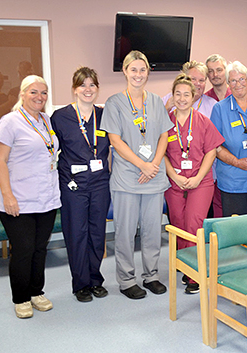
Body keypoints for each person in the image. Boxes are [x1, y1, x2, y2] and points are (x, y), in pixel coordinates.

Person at [101, 50, 173, 299]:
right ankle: (126, 279)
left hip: (153, 175)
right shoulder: (114, 103)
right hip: (127, 178)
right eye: (134, 69)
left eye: (143, 70)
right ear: (125, 71)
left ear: (148, 73)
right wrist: (142, 165)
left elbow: (164, 134)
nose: (138, 74)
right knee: (125, 231)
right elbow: (115, 140)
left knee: (153, 230)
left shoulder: (155, 101)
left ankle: (151, 275)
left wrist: (153, 163)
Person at [0, 75, 60, 318]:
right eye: (33, 92)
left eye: (43, 93)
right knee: (23, 249)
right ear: (22, 94)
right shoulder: (10, 122)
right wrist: (8, 195)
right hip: (18, 199)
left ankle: (36, 292)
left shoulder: (46, 120)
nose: (39, 97)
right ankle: (21, 298)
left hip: (45, 197)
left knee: (40, 248)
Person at [51, 67, 110, 303]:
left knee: (97, 233)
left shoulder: (105, 115)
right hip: (73, 184)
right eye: (82, 85)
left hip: (99, 183)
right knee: (77, 233)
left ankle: (95, 279)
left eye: (92, 85)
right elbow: (48, 148)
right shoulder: (60, 117)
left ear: (97, 89)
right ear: (74, 89)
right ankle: (81, 284)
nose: (87, 89)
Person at [164, 74, 224, 294]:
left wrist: (198, 177)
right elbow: (162, 155)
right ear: (172, 96)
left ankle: (194, 274)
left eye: (186, 94)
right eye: (177, 94)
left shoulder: (202, 121)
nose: (181, 99)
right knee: (178, 223)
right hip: (174, 180)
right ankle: (186, 264)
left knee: (193, 223)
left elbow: (211, 151)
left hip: (201, 181)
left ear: (194, 96)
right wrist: (175, 176)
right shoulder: (165, 121)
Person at [211, 61, 247, 216]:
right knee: (237, 231)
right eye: (233, 80)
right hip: (233, 181)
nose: (238, 84)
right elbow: (216, 146)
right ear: (228, 84)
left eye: (242, 79)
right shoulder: (220, 109)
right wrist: (238, 163)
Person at [205, 54, 231, 218]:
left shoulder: (239, 95)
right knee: (217, 208)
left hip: (236, 161)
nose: (215, 75)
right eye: (211, 71)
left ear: (226, 71)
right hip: (212, 163)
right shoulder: (205, 99)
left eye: (219, 70)